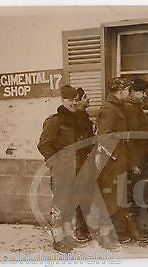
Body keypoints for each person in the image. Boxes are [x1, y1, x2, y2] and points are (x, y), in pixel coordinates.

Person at [37, 85, 94, 253]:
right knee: (60, 207)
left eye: (76, 100)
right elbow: (44, 144)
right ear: (62, 100)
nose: (73, 103)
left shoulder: (78, 119)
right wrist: (56, 163)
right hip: (63, 170)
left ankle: (69, 238)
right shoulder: (55, 121)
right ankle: (58, 240)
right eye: (69, 100)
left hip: (78, 169)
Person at [92, 77, 135, 249]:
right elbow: (104, 136)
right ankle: (106, 238)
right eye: (128, 90)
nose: (129, 93)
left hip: (117, 158)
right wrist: (115, 156)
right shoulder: (110, 109)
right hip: (111, 161)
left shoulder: (117, 107)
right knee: (111, 198)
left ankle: (117, 234)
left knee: (117, 196)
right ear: (121, 90)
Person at [123, 78, 148, 241]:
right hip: (133, 157)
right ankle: (132, 231)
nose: (144, 95)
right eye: (140, 92)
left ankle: (132, 229)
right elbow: (137, 135)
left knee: (136, 193)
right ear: (131, 92)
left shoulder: (135, 107)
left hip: (138, 156)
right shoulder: (130, 108)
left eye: (144, 92)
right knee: (133, 194)